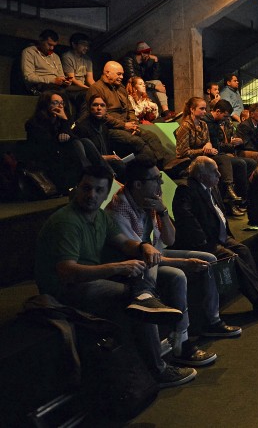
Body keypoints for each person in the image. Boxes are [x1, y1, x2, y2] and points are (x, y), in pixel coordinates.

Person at [35, 165, 196, 388]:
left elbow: (123, 243)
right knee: (135, 302)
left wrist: (142, 247)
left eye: (99, 190)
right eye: (86, 188)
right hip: (64, 290)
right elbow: (68, 272)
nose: (92, 195)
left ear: (106, 193)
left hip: (91, 279)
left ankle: (146, 298)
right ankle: (158, 370)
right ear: (76, 189)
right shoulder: (67, 222)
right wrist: (117, 268)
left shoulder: (100, 216)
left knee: (144, 267)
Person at [106, 157, 241, 365]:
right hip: (137, 267)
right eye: (156, 179)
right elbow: (144, 255)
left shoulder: (149, 201)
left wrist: (163, 211)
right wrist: (184, 263)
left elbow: (170, 240)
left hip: (155, 257)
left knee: (209, 258)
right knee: (178, 274)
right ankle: (182, 342)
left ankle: (212, 322)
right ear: (138, 184)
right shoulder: (119, 209)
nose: (161, 184)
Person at [172, 156, 258, 312]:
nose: (219, 175)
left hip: (219, 236)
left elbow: (219, 212)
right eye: (214, 172)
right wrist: (203, 241)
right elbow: (186, 219)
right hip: (202, 241)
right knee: (232, 258)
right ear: (201, 175)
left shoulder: (212, 186)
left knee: (243, 250)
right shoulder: (186, 189)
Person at [84, 61, 177, 171]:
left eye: (122, 74)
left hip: (129, 125)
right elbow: (102, 115)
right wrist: (124, 125)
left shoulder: (121, 88)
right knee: (137, 142)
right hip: (111, 128)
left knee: (151, 136)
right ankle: (154, 168)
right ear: (107, 72)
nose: (122, 77)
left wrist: (133, 123)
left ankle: (168, 164)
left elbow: (130, 108)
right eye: (119, 74)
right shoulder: (96, 88)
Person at [23, 91, 107, 194]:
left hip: (62, 156)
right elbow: (48, 147)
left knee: (84, 141)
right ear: (46, 104)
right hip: (47, 162)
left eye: (62, 103)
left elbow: (73, 136)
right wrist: (64, 123)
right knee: (76, 143)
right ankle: (89, 177)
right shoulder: (34, 124)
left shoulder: (61, 120)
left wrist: (64, 121)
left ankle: (108, 175)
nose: (60, 106)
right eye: (55, 102)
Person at [175, 97, 245, 216]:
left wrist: (208, 145)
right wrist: (202, 149)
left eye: (205, 109)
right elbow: (181, 153)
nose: (204, 111)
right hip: (191, 160)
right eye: (201, 109)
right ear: (192, 110)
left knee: (235, 162)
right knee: (223, 159)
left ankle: (234, 199)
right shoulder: (185, 127)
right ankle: (229, 196)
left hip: (205, 156)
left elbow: (208, 141)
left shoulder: (203, 124)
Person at [21, 29, 85, 116]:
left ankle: (79, 122)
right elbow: (28, 77)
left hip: (57, 85)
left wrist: (65, 81)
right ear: (40, 40)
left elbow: (61, 76)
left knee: (83, 94)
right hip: (39, 86)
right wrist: (53, 80)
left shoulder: (55, 56)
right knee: (61, 94)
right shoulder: (29, 52)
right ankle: (67, 122)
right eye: (49, 44)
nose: (51, 48)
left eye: (54, 46)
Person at [202, 98, 254, 198]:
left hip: (221, 152)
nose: (226, 119)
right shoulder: (206, 122)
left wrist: (236, 142)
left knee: (251, 163)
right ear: (217, 111)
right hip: (213, 154)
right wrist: (231, 146)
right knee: (240, 163)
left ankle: (246, 194)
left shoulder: (218, 122)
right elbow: (216, 145)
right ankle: (237, 196)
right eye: (225, 116)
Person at [73, 94, 127, 181]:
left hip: (106, 164)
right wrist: (108, 157)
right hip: (91, 167)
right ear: (89, 108)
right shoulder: (81, 128)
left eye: (102, 105)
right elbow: (84, 157)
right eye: (95, 105)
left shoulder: (104, 128)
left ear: (106, 110)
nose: (99, 108)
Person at [122, 42, 174, 119]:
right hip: (130, 84)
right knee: (156, 85)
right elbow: (133, 80)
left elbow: (154, 77)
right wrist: (155, 86)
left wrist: (156, 62)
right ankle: (165, 112)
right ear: (142, 53)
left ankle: (166, 112)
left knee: (158, 83)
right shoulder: (129, 60)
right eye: (148, 53)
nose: (149, 55)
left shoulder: (144, 63)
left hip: (141, 82)